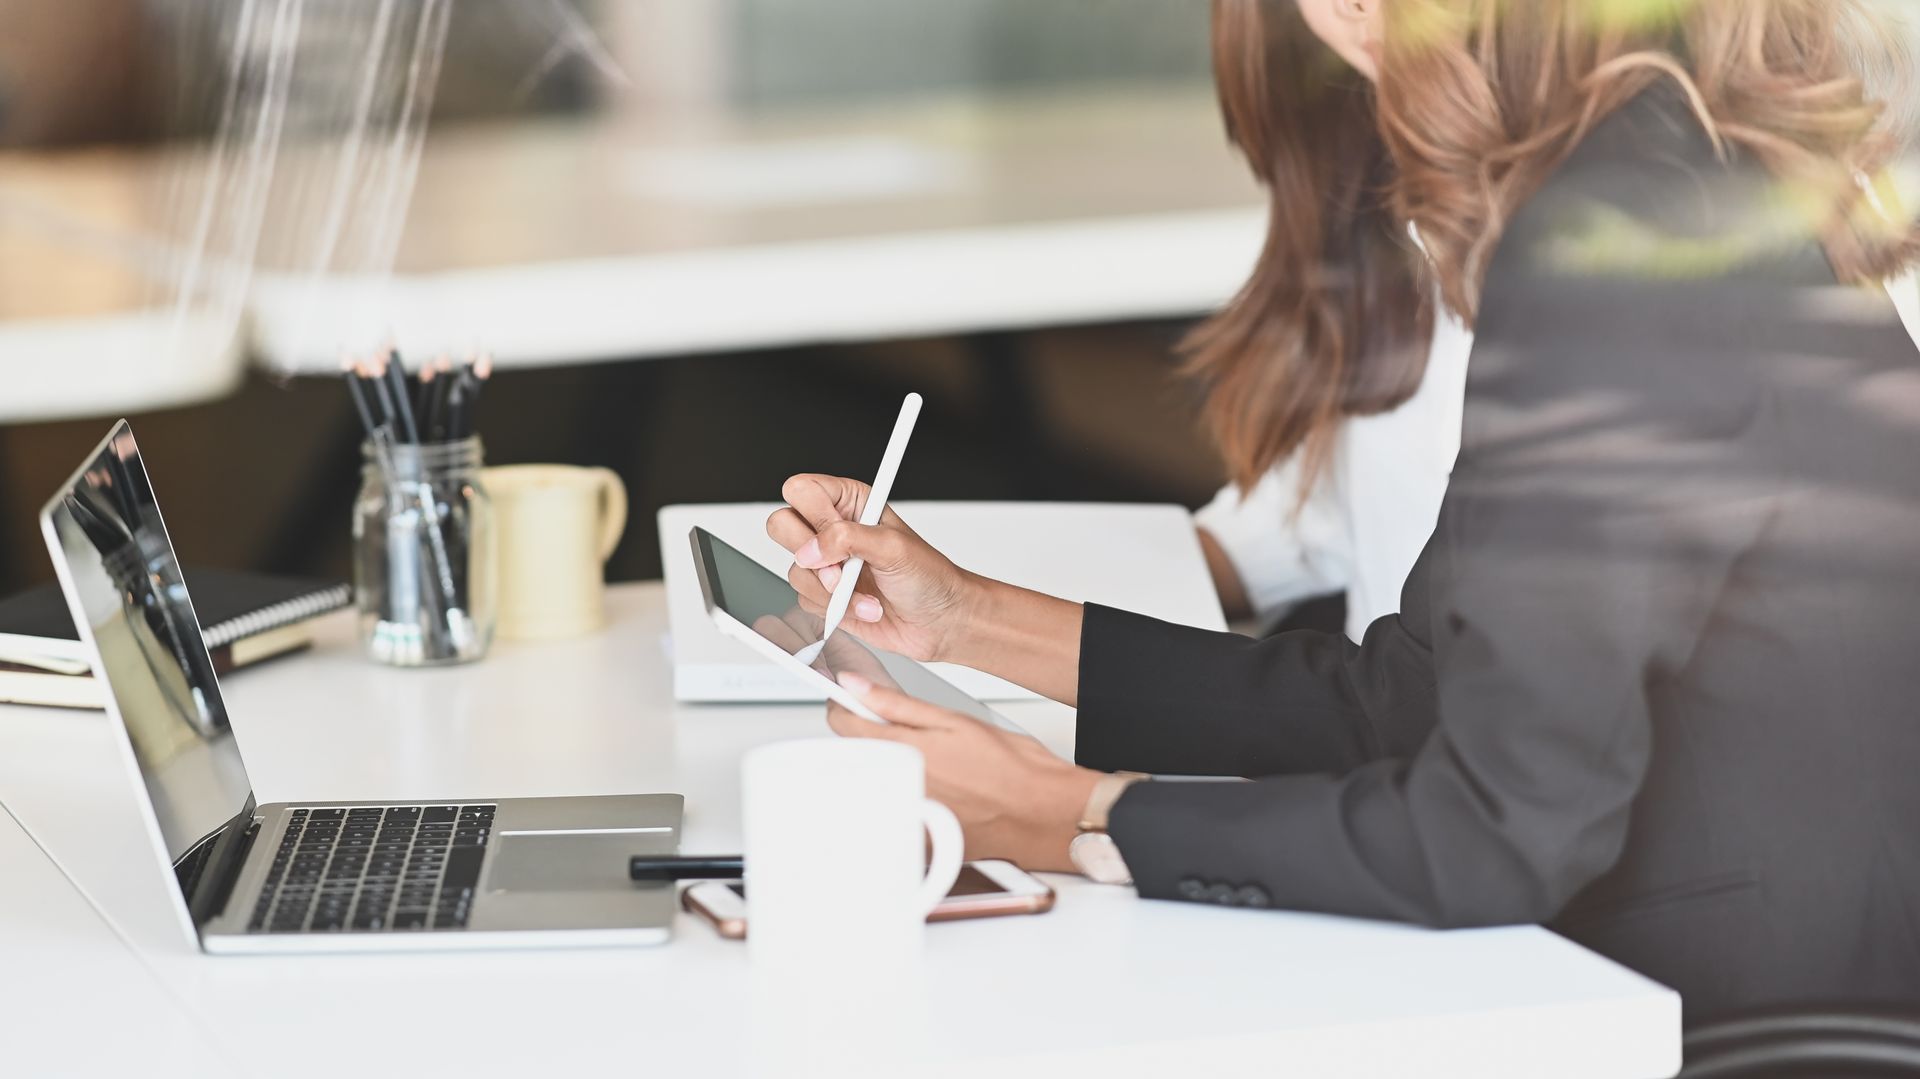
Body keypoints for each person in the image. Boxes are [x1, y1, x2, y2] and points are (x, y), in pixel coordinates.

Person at [767, 0, 1920, 1020]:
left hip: (1701, 1012)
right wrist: (969, 618)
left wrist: (1066, 813)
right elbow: (1405, 697)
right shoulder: (1662, 171)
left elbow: (1497, 834)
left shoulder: (1608, 241)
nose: (1339, 24)